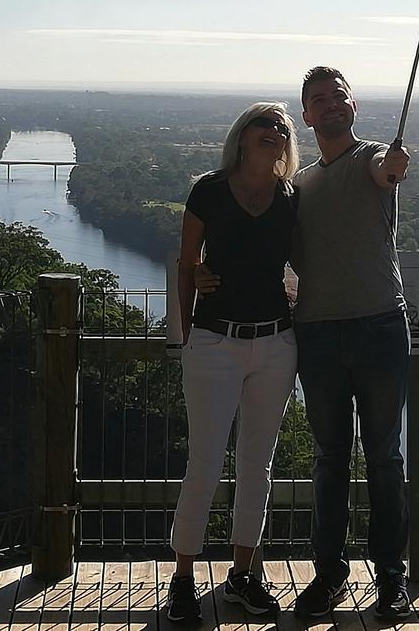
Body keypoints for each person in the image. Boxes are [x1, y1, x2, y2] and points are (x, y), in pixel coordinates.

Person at [197, 67, 414, 620]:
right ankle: (330, 575)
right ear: (307, 116)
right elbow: (256, 244)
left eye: (337, 95)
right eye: (318, 100)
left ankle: (391, 578)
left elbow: (385, 170)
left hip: (378, 325)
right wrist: (198, 271)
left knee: (384, 458)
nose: (330, 105)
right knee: (330, 459)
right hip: (316, 331)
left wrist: (393, 167)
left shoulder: (371, 159)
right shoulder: (299, 186)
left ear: (353, 106)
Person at [165, 102, 302, 624]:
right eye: (263, 125)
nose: (273, 132)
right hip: (214, 342)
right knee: (202, 464)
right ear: (242, 136)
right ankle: (183, 578)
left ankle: (243, 575)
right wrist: (187, 332)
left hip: (275, 344)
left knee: (257, 467)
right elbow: (186, 263)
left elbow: (308, 260)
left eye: (282, 128)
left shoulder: (290, 198)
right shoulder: (209, 190)